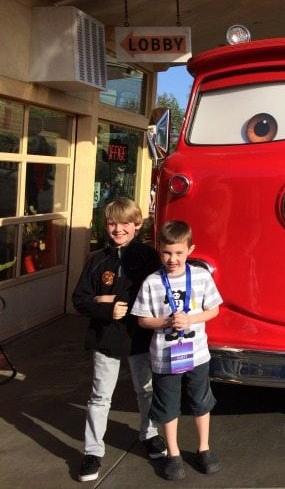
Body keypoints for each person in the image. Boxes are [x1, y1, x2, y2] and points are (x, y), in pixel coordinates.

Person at [72, 197, 166, 483]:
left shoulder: (149, 258)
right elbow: (79, 299)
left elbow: (157, 293)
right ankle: (92, 451)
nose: (118, 229)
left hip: (140, 337)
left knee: (146, 391)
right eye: (112, 223)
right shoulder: (97, 260)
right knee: (101, 397)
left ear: (137, 224)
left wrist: (110, 297)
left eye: (125, 223)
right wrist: (104, 306)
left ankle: (149, 434)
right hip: (106, 339)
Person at [131, 220, 223, 481]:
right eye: (167, 253)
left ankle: (204, 447)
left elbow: (213, 309)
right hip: (164, 357)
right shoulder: (152, 282)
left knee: (200, 401)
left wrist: (191, 319)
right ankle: (173, 453)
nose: (172, 259)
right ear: (159, 250)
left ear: (190, 250)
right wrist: (166, 322)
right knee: (167, 405)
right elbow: (142, 319)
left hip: (197, 354)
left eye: (179, 253)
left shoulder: (201, 276)